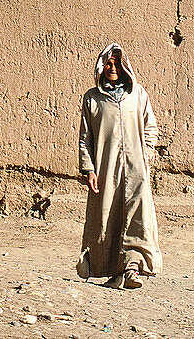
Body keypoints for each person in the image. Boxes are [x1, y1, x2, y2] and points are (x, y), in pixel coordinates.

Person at [76, 43, 162, 289]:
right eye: (108, 64)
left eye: (116, 64)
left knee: (137, 216)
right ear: (102, 67)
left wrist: (145, 158)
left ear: (124, 66)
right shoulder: (92, 98)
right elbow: (85, 138)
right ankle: (116, 272)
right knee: (108, 218)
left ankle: (133, 268)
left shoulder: (138, 94)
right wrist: (89, 169)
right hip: (105, 169)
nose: (112, 68)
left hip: (136, 169)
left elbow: (150, 129)